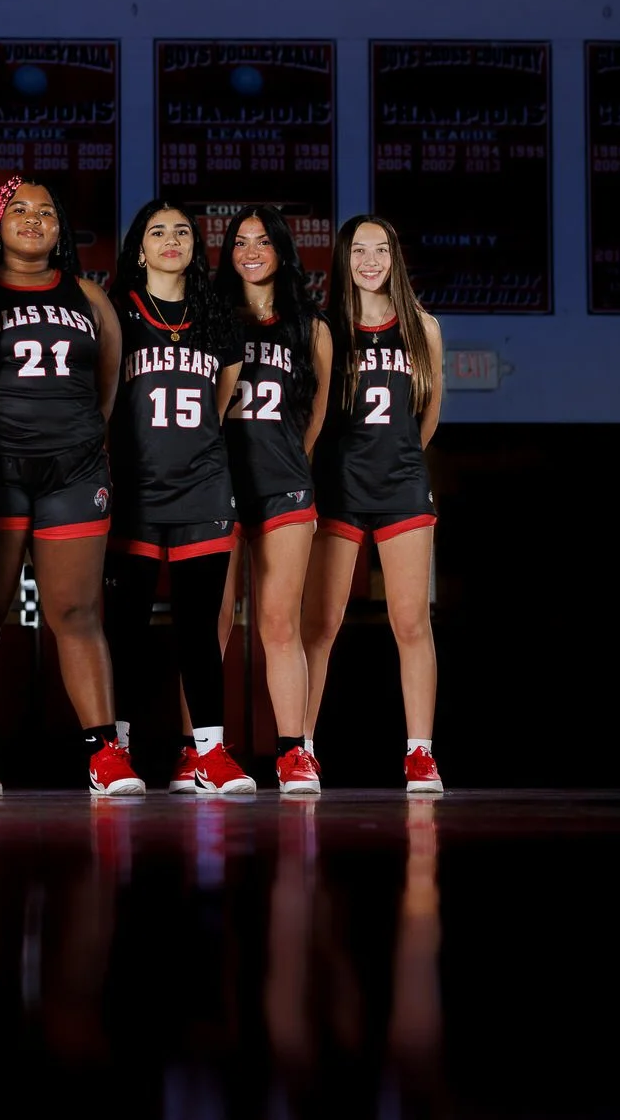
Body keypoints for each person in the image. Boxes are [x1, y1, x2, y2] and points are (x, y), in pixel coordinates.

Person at [0, 179, 144, 796]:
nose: (35, 219)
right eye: (20, 209)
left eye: (48, 210)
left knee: (75, 610)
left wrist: (78, 438)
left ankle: (104, 751)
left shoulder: (89, 295)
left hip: (73, 468)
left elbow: (109, 383)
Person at [105, 199, 253, 794]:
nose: (172, 240)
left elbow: (220, 403)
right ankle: (117, 752)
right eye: (158, 231)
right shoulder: (117, 311)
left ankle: (208, 756)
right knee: (125, 628)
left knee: (200, 627)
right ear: (138, 249)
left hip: (201, 486)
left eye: (183, 231)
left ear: (196, 245)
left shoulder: (217, 315)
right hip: (134, 489)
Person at [300, 215, 445, 793]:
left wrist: (400, 460)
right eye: (358, 249)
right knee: (321, 625)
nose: (369, 260)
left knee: (412, 624)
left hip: (402, 485)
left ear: (394, 257)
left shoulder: (423, 328)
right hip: (340, 486)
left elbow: (427, 415)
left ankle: (420, 753)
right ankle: (302, 748)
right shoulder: (327, 327)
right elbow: (313, 416)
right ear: (343, 258)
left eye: (380, 249)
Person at [214, 206, 332, 793]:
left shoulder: (311, 327)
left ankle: (294, 752)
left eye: (263, 241)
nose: (252, 250)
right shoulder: (212, 317)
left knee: (279, 623)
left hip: (284, 483)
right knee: (214, 622)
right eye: (241, 241)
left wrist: (282, 459)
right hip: (218, 485)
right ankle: (201, 750)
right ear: (228, 252)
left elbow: (314, 421)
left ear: (283, 250)